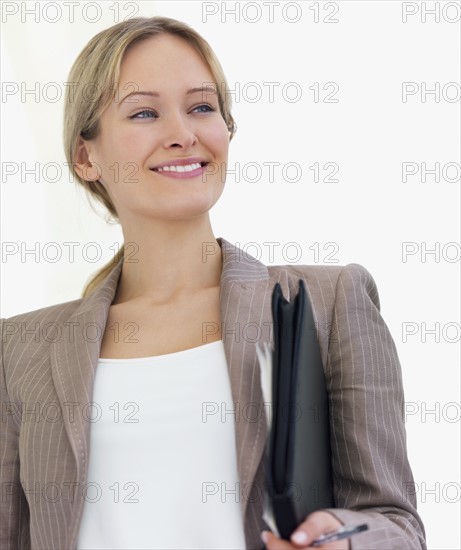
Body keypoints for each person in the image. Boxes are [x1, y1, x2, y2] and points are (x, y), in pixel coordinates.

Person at [0, 15, 426, 550]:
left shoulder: (327, 303)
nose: (183, 135)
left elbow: (395, 523)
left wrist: (345, 542)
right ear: (87, 156)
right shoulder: (21, 350)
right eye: (145, 112)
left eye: (202, 107)